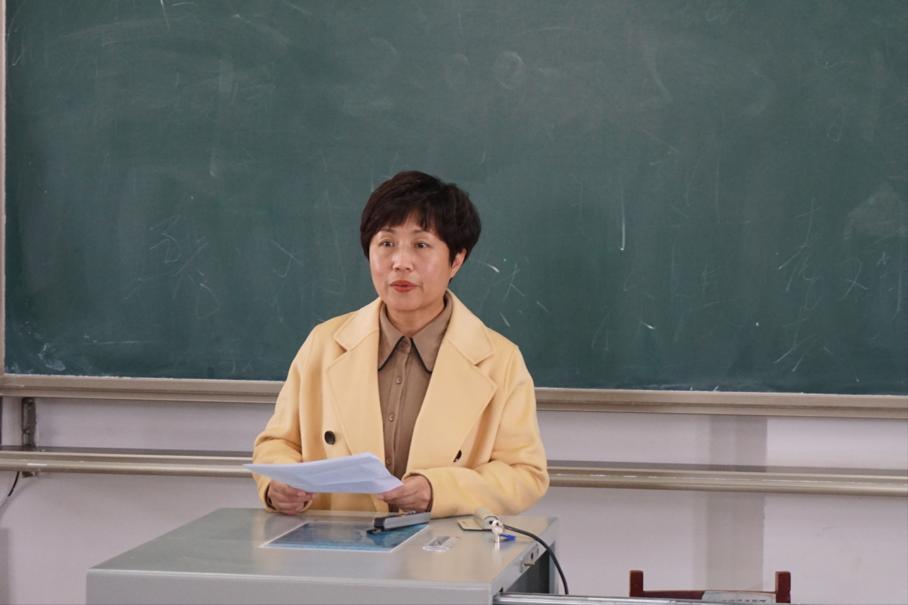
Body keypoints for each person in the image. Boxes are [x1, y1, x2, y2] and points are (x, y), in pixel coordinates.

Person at [252, 171, 548, 518]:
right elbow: (278, 443)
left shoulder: (500, 360)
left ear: (456, 260)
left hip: (446, 547)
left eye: (421, 245)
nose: (400, 262)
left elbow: (524, 474)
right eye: (386, 243)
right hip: (338, 544)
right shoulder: (325, 343)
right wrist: (277, 485)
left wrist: (439, 490)